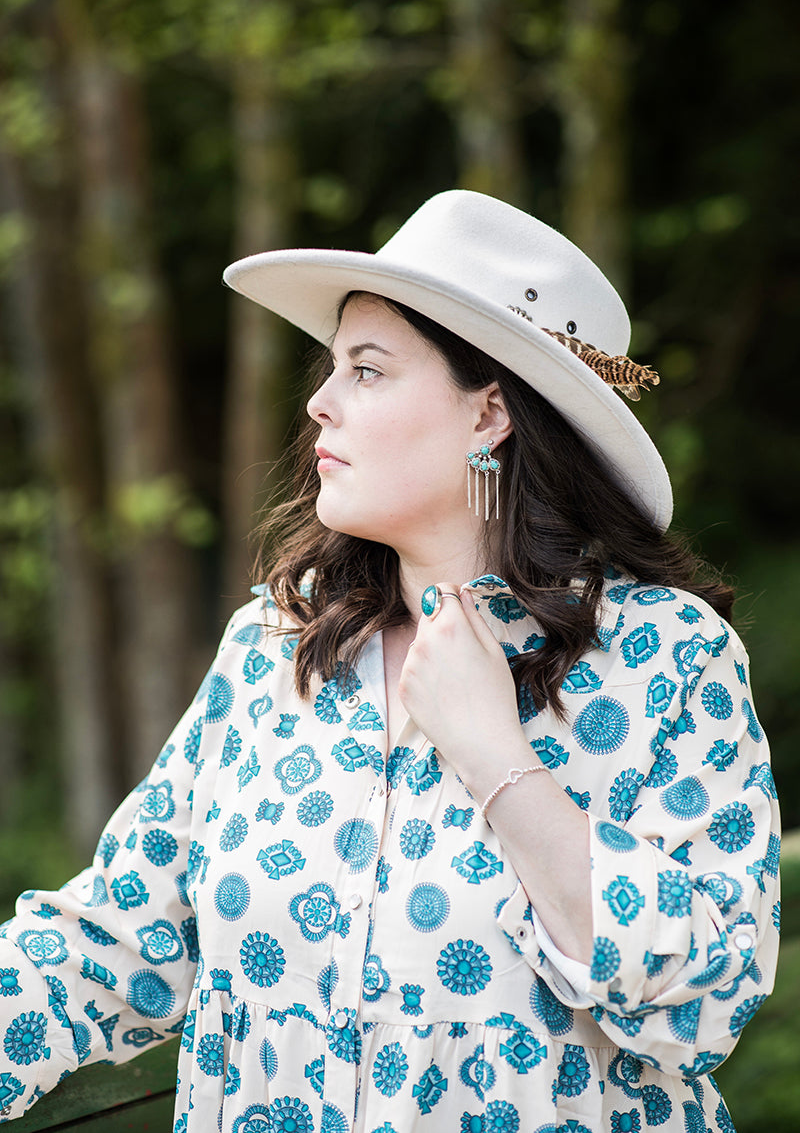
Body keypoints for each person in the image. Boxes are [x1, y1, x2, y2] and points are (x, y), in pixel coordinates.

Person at [0, 190, 779, 1133]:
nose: (320, 404)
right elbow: (119, 944)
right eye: (332, 370)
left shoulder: (666, 659)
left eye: (367, 371)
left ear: (489, 413)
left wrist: (499, 762)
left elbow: (704, 999)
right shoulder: (274, 649)